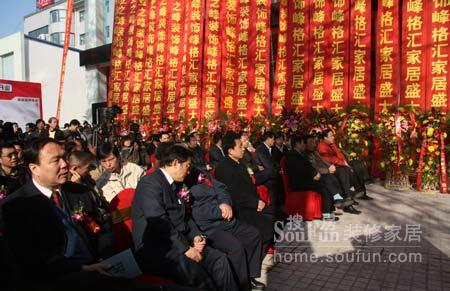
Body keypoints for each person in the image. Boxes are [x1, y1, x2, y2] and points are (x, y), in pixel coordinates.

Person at [0, 138, 160, 291]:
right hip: (58, 279)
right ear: (34, 168)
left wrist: (104, 259)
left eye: (64, 158)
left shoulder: (82, 192)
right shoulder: (15, 207)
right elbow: (30, 259)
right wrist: (81, 268)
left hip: (101, 266)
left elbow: (105, 227)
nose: (64, 165)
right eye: (56, 160)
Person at [132, 144, 238, 290]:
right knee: (197, 273)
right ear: (175, 163)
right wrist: (185, 249)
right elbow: (158, 222)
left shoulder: (174, 184)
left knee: (219, 259)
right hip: (158, 247)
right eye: (187, 166)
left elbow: (185, 216)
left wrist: (196, 236)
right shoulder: (150, 183)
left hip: (180, 240)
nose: (188, 172)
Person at [186, 167, 265, 290]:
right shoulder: (181, 184)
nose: (188, 167)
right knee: (236, 247)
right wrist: (220, 211)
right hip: (209, 227)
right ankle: (241, 284)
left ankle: (250, 276)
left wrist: (225, 203)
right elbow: (196, 213)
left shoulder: (200, 172)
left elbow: (221, 188)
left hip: (226, 218)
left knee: (253, 234)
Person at [215, 132, 274, 254]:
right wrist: (255, 203)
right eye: (240, 146)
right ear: (230, 150)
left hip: (250, 203)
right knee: (267, 226)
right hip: (239, 208)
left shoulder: (239, 163)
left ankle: (260, 253)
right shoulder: (224, 167)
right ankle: (253, 259)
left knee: (275, 215)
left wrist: (258, 201)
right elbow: (233, 193)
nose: (243, 148)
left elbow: (250, 187)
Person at [285, 136, 340, 221]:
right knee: (323, 185)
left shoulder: (299, 154)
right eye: (303, 143)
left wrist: (315, 173)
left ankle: (331, 207)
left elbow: (307, 167)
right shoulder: (292, 155)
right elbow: (301, 170)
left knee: (326, 180)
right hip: (299, 183)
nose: (304, 145)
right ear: (297, 144)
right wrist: (314, 174)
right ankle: (327, 211)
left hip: (305, 179)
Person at [317, 129, 371, 201]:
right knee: (345, 170)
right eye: (331, 136)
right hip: (332, 167)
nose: (333, 137)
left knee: (357, 163)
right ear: (325, 138)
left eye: (333, 135)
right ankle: (349, 197)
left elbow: (339, 155)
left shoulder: (332, 144)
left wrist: (345, 162)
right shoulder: (321, 145)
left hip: (340, 163)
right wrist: (343, 163)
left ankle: (361, 189)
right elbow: (329, 159)